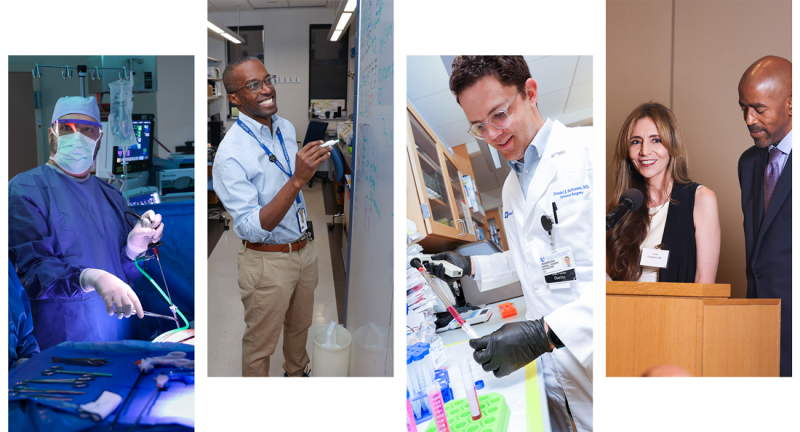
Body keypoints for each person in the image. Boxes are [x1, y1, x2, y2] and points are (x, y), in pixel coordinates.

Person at [431, 56, 594, 432]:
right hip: (554, 374)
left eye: (499, 115)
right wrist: (468, 265)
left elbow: (620, 283)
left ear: (530, 93)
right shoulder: (509, 187)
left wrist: (544, 334)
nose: (492, 134)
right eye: (478, 127)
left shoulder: (587, 152)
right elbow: (529, 260)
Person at [8, 96, 162, 350]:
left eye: (88, 129)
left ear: (99, 138)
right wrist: (89, 277)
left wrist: (134, 250)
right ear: (52, 133)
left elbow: (128, 274)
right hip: (59, 338)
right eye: (67, 128)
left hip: (116, 330)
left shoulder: (111, 195)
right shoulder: (24, 190)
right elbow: (33, 272)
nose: (77, 136)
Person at [212, 57, 332, 377]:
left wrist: (298, 174)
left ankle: (296, 371)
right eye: (253, 85)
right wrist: (297, 180)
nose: (266, 89)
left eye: (267, 79)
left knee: (300, 326)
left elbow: (283, 182)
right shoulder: (230, 155)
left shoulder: (285, 127)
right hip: (267, 263)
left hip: (303, 250)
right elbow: (251, 227)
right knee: (260, 344)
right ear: (234, 98)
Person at [605, 102, 720, 283]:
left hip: (677, 310)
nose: (644, 151)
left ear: (672, 145)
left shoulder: (700, 199)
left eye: (655, 140)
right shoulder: (621, 208)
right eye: (636, 142)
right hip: (623, 309)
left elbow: (704, 283)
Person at [737, 55, 792, 377]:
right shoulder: (749, 162)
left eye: (758, 108)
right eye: (743, 107)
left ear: (790, 105)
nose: (748, 119)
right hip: (758, 323)